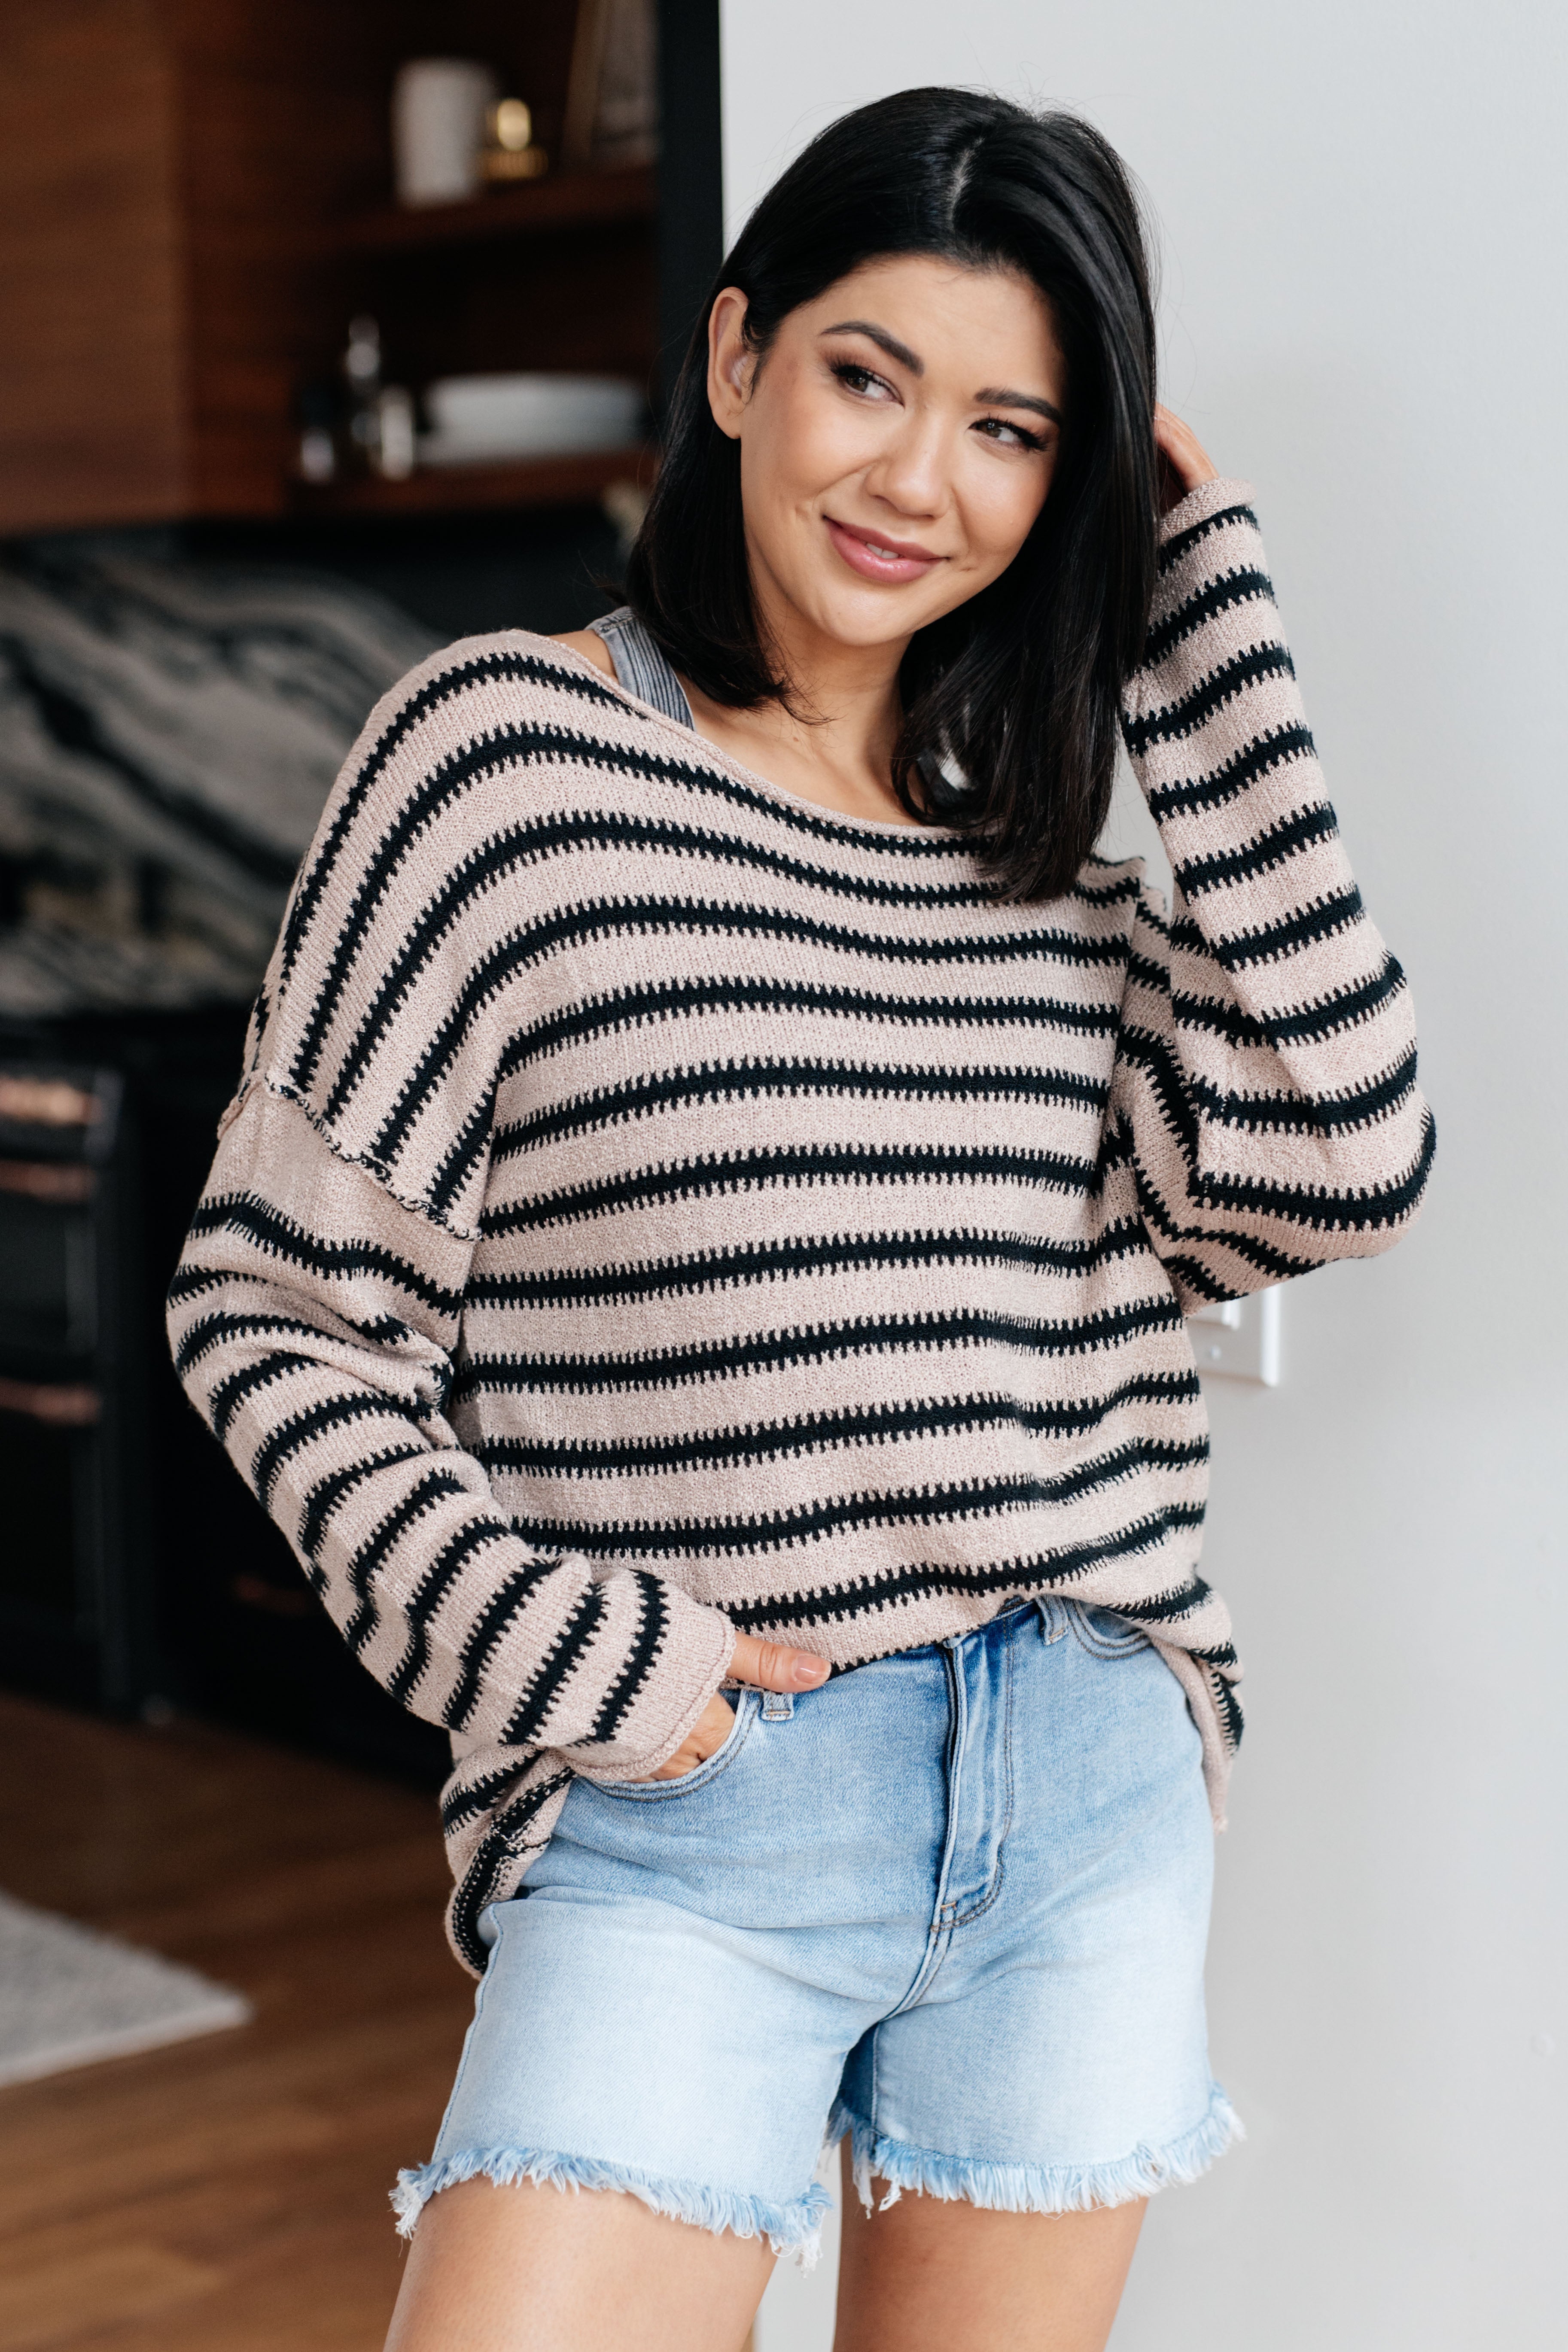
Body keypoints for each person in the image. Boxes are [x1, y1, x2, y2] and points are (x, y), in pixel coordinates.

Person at [168, 86, 1433, 2352]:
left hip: (1078, 1780)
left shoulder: (1047, 866)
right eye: (869, 375)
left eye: (1011, 430)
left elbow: (1338, 1158)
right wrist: (587, 1666)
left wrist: (1202, 627)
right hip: (692, 1796)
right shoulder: (501, 762)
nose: (917, 478)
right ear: (739, 357)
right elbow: (277, 1314)